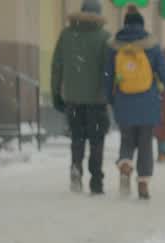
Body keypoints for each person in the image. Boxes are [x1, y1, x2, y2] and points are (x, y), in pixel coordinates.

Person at [103, 8, 165, 199]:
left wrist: (109, 97)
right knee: (145, 142)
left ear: (124, 24)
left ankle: (125, 164)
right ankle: (143, 183)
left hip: (124, 100)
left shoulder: (115, 46)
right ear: (142, 24)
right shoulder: (151, 45)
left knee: (127, 138)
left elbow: (107, 75)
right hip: (148, 101)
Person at [50, 0, 111, 194]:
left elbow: (56, 66)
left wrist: (56, 94)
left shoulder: (67, 35)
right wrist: (110, 94)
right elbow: (109, 70)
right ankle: (96, 181)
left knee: (77, 139)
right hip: (97, 101)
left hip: (73, 99)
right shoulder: (105, 37)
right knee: (96, 141)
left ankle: (76, 169)